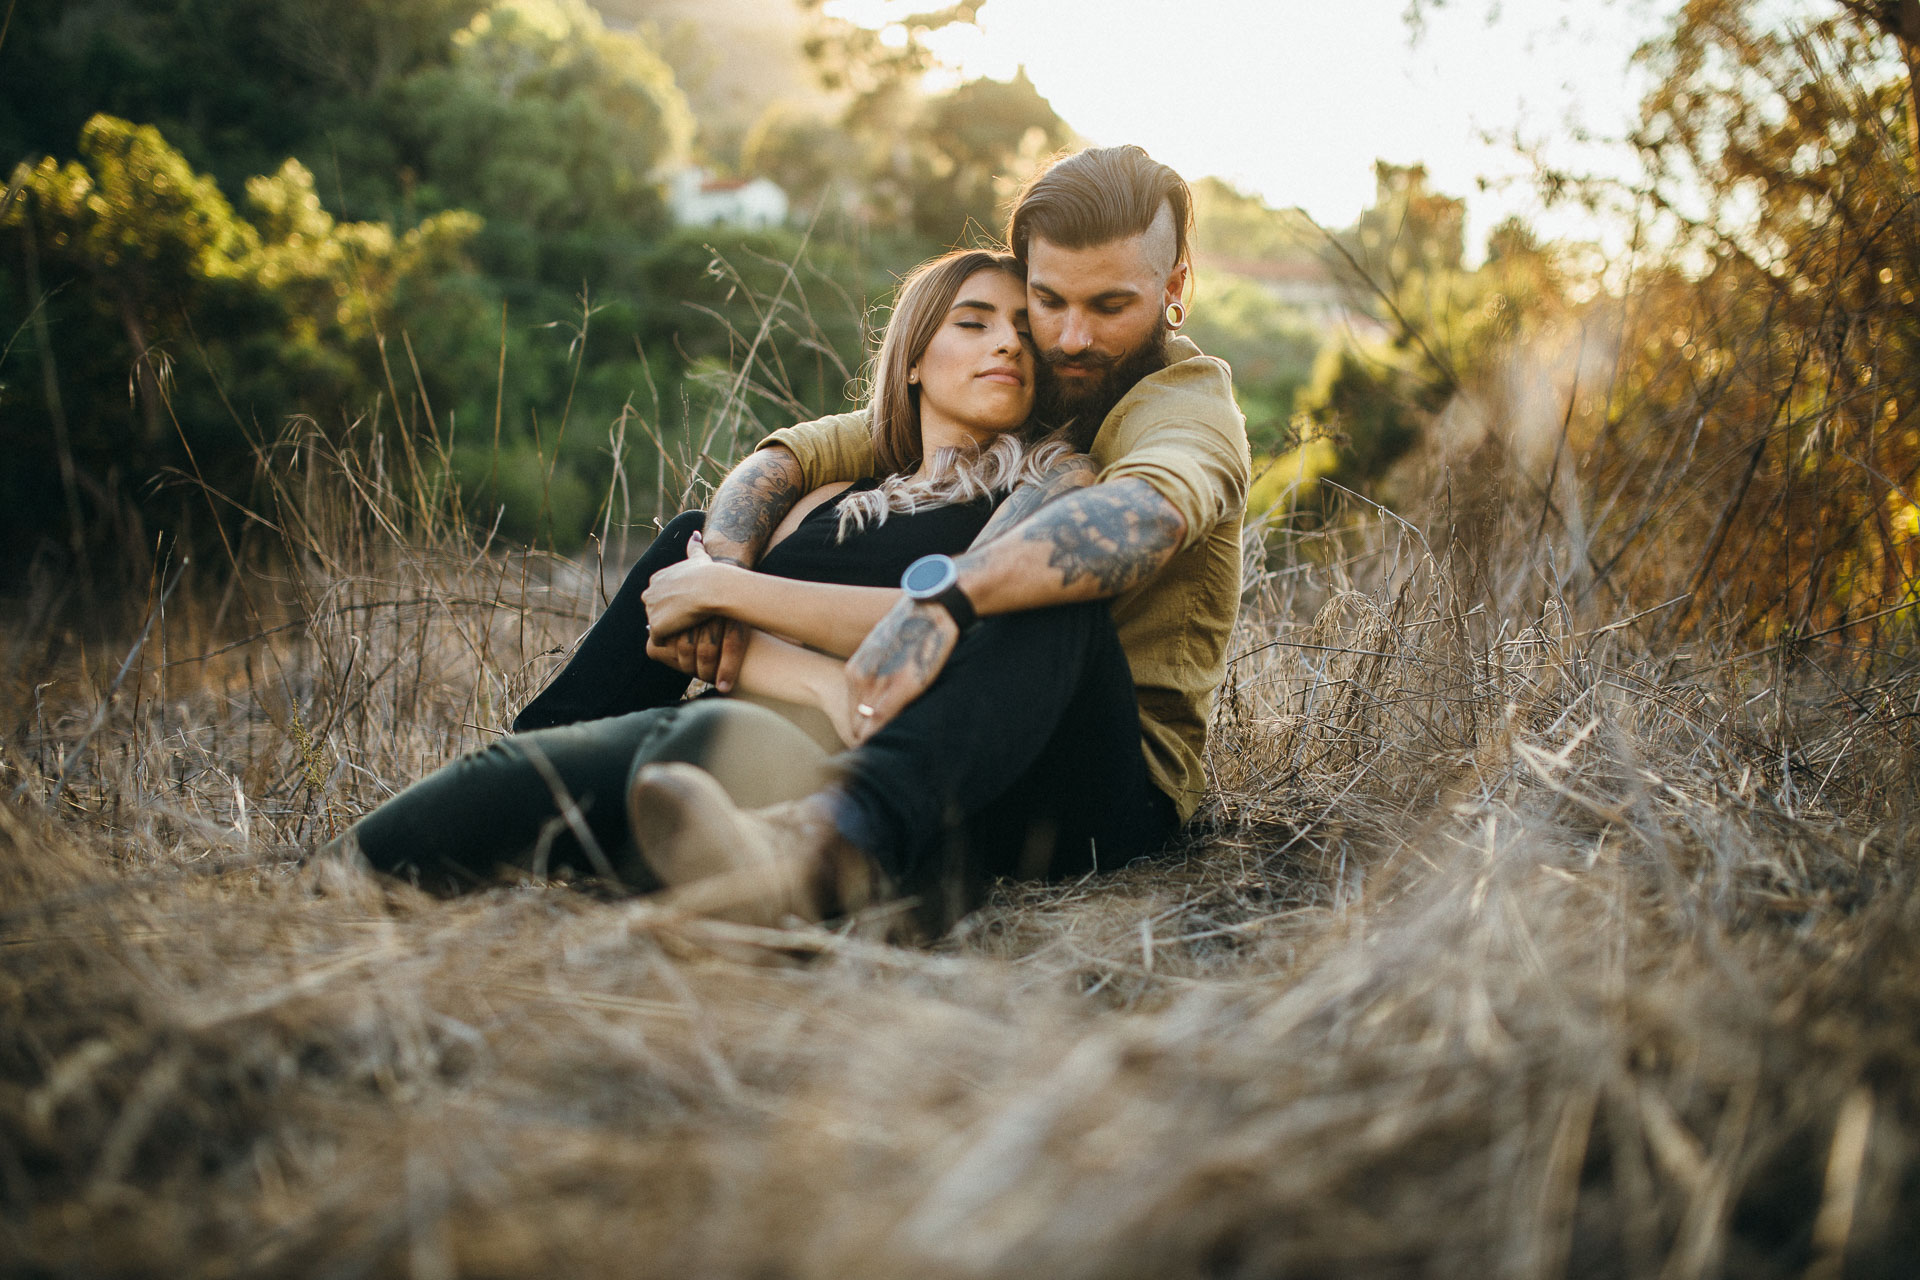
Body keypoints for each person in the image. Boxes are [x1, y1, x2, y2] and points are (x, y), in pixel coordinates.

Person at [628, 144, 1252, 927]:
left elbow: (1146, 516)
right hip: (963, 751)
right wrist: (718, 577)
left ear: (1174, 287)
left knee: (1048, 586)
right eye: (1050, 301)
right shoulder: (1032, 379)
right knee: (687, 541)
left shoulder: (1188, 406)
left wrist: (948, 597)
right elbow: (793, 458)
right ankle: (551, 773)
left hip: (1101, 787)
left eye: (1109, 307)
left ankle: (822, 846)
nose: (1069, 339)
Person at [340, 249, 1089, 896]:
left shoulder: (1044, 489)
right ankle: (335, 879)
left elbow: (963, 619)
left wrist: (731, 596)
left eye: (1026, 329)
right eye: (975, 321)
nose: (1009, 344)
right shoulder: (830, 497)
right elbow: (679, 624)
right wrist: (739, 625)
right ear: (915, 358)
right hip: (744, 711)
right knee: (522, 762)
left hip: (848, 760)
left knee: (690, 739)